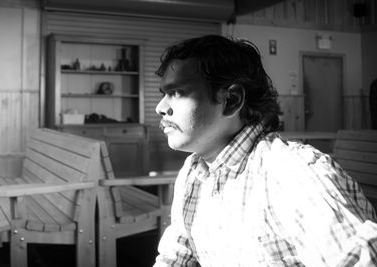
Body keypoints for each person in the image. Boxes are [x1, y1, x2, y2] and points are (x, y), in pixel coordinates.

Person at [153, 34, 377, 267]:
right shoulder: (193, 172)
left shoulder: (291, 174)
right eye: (163, 94)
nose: (161, 107)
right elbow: (178, 255)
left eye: (176, 93)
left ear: (231, 99)